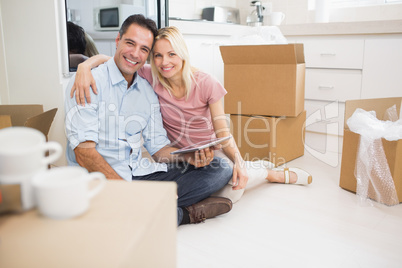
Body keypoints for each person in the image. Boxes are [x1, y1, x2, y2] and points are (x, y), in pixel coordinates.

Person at [71, 25, 312, 204]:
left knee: (231, 181)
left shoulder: (206, 83)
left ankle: (269, 173)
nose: (165, 62)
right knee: (228, 193)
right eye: (158, 55)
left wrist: (239, 163)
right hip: (179, 157)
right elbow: (121, 60)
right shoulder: (151, 77)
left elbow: (223, 133)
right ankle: (185, 205)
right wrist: (85, 66)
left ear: (183, 54)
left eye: (172, 54)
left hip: (209, 155)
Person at [64, 15, 234, 226]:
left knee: (220, 168)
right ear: (118, 41)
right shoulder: (87, 82)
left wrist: (188, 157)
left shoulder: (146, 90)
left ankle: (149, 209)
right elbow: (84, 153)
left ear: (148, 56)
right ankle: (183, 214)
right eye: (130, 43)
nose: (135, 54)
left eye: (144, 49)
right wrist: (128, 193)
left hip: (137, 174)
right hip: (99, 181)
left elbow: (159, 150)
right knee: (110, 220)